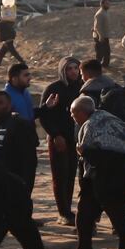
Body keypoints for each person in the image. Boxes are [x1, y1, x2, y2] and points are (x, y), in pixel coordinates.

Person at [59, 96, 125, 249]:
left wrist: (85, 152)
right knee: (83, 219)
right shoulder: (103, 119)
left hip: (110, 181)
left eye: (74, 113)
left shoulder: (95, 125)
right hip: (95, 181)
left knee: (119, 221)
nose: (72, 117)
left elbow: (108, 156)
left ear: (82, 112)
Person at [40, 56, 84, 226]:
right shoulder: (54, 88)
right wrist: (55, 135)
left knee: (71, 173)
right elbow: (45, 116)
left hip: (75, 137)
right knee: (60, 174)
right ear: (62, 71)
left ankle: (68, 210)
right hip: (58, 138)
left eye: (75, 68)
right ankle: (63, 213)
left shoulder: (81, 88)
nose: (73, 71)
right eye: (69, 69)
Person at [92, 0, 112, 66]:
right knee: (100, 53)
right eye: (107, 4)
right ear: (102, 4)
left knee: (106, 52)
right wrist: (100, 36)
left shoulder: (105, 12)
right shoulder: (100, 14)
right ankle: (97, 66)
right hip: (100, 36)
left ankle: (105, 64)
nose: (108, 5)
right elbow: (97, 27)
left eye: (109, 4)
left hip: (105, 35)